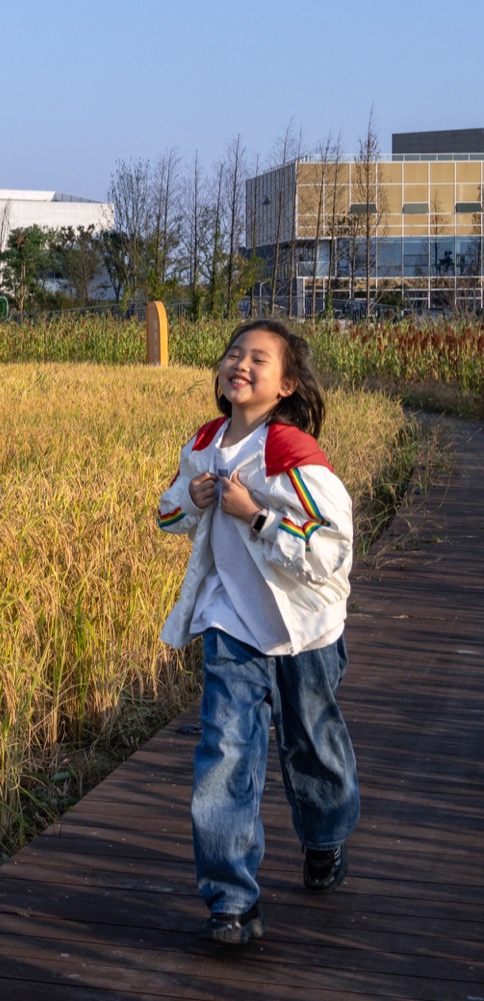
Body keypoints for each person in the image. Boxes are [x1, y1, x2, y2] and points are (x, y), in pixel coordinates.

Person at [154, 319, 359, 945]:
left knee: (312, 745)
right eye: (233, 354)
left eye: (259, 359)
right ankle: (231, 902)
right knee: (225, 755)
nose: (240, 364)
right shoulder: (205, 443)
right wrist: (191, 498)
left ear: (286, 384)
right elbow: (165, 516)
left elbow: (333, 549)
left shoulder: (292, 454)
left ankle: (325, 838)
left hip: (304, 633)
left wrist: (260, 516)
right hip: (230, 625)